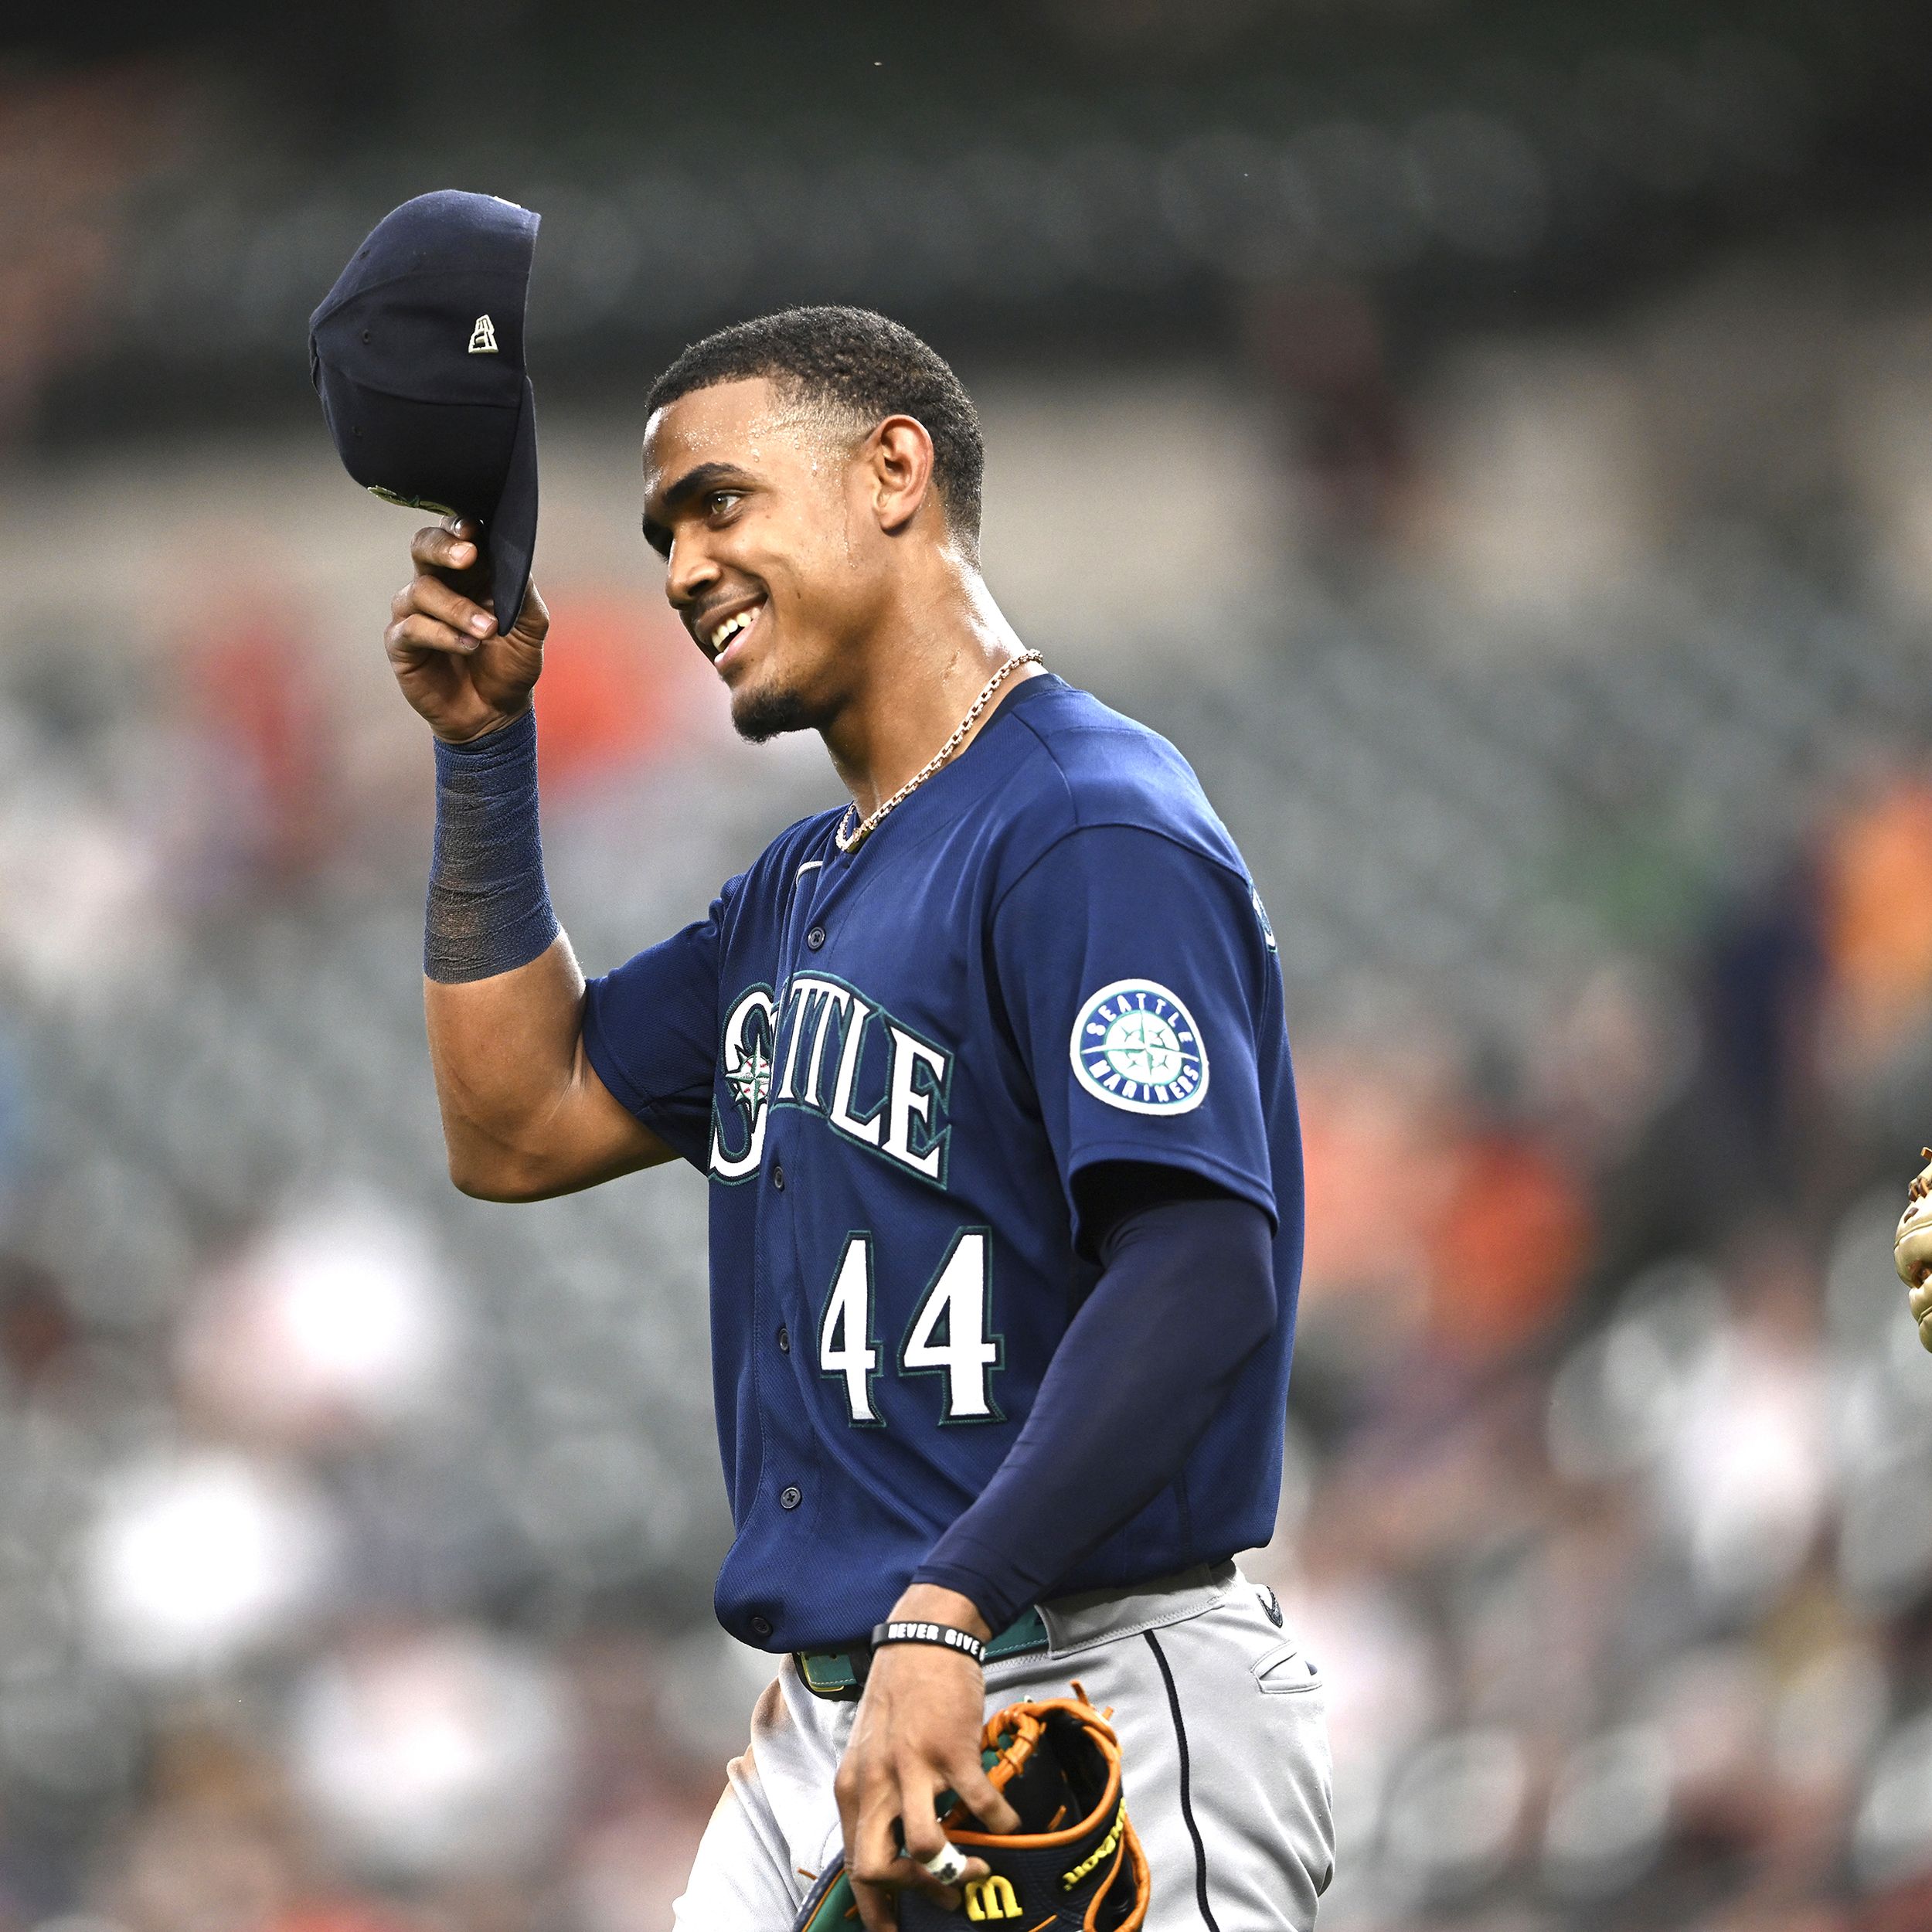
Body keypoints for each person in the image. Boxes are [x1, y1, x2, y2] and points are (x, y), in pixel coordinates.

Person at [380, 305, 1332, 1930]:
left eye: (721, 503)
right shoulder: (799, 890)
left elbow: (1197, 1269)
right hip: (843, 1707)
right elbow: (514, 1122)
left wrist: (949, 1604)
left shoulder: (1083, 821)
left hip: (1087, 1684)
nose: (683, 568)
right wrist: (482, 752)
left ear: (893, 470)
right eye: (663, 533)